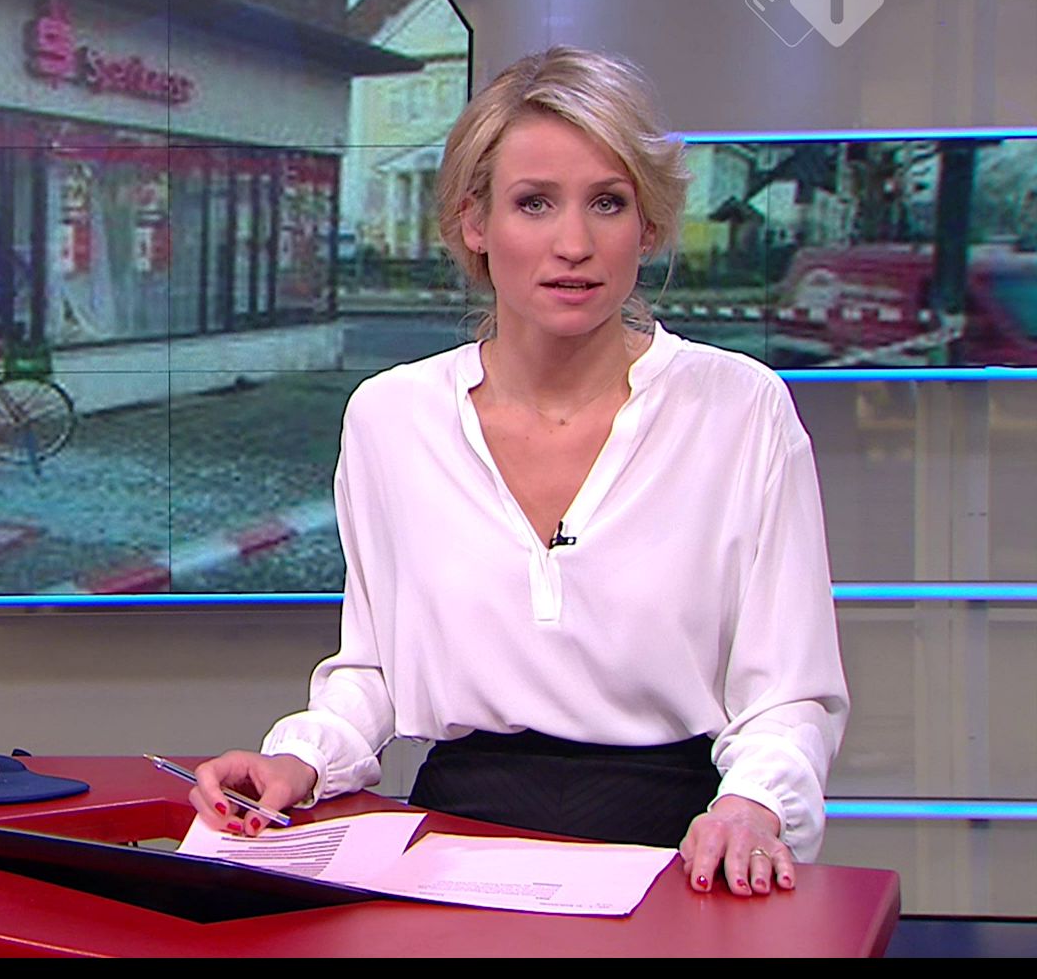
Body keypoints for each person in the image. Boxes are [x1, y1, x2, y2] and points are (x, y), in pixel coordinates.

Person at [189, 46, 849, 900]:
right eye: (535, 203)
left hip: (682, 841)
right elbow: (376, 667)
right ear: (475, 222)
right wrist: (299, 759)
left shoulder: (741, 408)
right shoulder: (392, 417)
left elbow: (789, 692)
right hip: (457, 839)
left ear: (647, 227)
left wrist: (754, 805)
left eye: (608, 203)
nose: (573, 244)